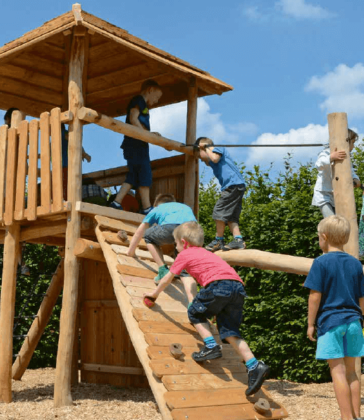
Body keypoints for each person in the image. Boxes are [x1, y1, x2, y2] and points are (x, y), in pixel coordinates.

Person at [142, 222, 269, 396]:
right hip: (237, 288)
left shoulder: (185, 254)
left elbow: (167, 278)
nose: (175, 247)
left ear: (184, 242)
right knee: (230, 331)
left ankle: (210, 346)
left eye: (175, 243)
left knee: (195, 312)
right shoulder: (208, 254)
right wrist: (218, 307)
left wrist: (154, 294)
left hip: (218, 285)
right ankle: (254, 365)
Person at [305, 216, 364, 420]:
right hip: (353, 322)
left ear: (323, 237)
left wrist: (310, 323)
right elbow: (361, 300)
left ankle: (346, 417)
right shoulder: (355, 264)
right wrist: (358, 320)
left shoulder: (321, 262)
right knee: (352, 373)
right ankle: (356, 416)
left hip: (330, 322)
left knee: (338, 373)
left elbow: (315, 296)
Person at [109, 79, 163, 214]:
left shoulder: (143, 104)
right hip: (136, 144)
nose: (156, 101)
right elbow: (133, 118)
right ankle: (146, 208)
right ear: (150, 90)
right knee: (145, 173)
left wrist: (148, 134)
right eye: (156, 97)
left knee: (133, 175)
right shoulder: (139, 100)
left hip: (135, 144)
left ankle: (116, 202)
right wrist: (145, 135)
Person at [126, 194, 196, 284]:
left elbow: (140, 231)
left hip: (172, 227)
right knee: (179, 246)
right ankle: (179, 271)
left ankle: (162, 269)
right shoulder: (184, 207)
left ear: (157, 204)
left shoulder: (157, 209)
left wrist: (131, 252)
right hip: (193, 231)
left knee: (147, 235)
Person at [195, 137, 247, 251]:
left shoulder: (218, 149)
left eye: (199, 152)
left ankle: (219, 240)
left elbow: (214, 158)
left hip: (232, 185)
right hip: (237, 186)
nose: (199, 158)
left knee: (219, 211)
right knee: (231, 217)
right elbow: (208, 161)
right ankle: (238, 240)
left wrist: (206, 147)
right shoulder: (212, 161)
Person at [312, 129, 361, 218]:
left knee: (341, 222)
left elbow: (350, 171)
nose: (353, 146)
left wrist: (355, 179)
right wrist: (331, 157)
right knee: (331, 219)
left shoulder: (346, 157)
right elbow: (319, 165)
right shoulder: (326, 152)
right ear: (346, 142)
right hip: (324, 194)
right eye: (353, 143)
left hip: (337, 195)